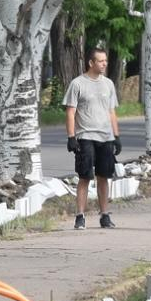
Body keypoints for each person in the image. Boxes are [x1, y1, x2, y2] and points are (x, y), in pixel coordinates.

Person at [64, 46, 121, 230]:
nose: (104, 64)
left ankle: (104, 215)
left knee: (104, 176)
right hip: (85, 135)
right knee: (85, 176)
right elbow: (71, 112)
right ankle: (80, 216)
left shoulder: (108, 84)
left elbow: (111, 111)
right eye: (100, 61)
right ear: (91, 63)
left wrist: (116, 136)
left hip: (105, 137)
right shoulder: (78, 84)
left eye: (105, 61)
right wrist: (71, 137)